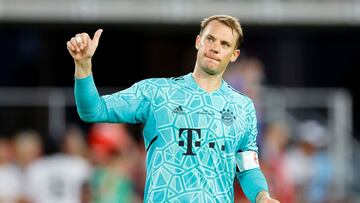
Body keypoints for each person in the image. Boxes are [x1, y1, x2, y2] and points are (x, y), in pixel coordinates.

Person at [66, 15, 279, 203]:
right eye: (210, 39)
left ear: (234, 55)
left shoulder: (243, 107)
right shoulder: (157, 92)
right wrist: (83, 65)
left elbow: (247, 168)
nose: (215, 48)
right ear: (198, 41)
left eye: (224, 44)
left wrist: (262, 196)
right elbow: (92, 110)